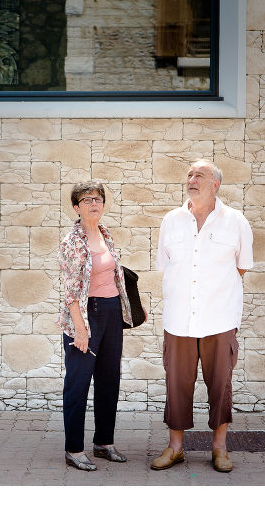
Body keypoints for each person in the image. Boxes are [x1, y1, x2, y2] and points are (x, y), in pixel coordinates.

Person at [151, 160, 253, 473]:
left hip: (219, 319)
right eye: (190, 175)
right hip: (178, 320)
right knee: (177, 385)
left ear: (215, 184)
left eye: (200, 175)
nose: (192, 179)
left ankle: (219, 448)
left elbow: (241, 267)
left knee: (220, 385)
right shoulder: (171, 220)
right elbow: (165, 267)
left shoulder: (235, 221)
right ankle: (175, 448)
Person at [58, 181, 136, 471]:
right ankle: (74, 449)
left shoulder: (106, 234)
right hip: (86, 314)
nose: (94, 203)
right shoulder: (72, 242)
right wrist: (79, 328)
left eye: (98, 199)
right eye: (87, 199)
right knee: (77, 384)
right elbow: (70, 290)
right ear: (76, 207)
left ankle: (104, 443)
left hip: (112, 311)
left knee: (109, 380)